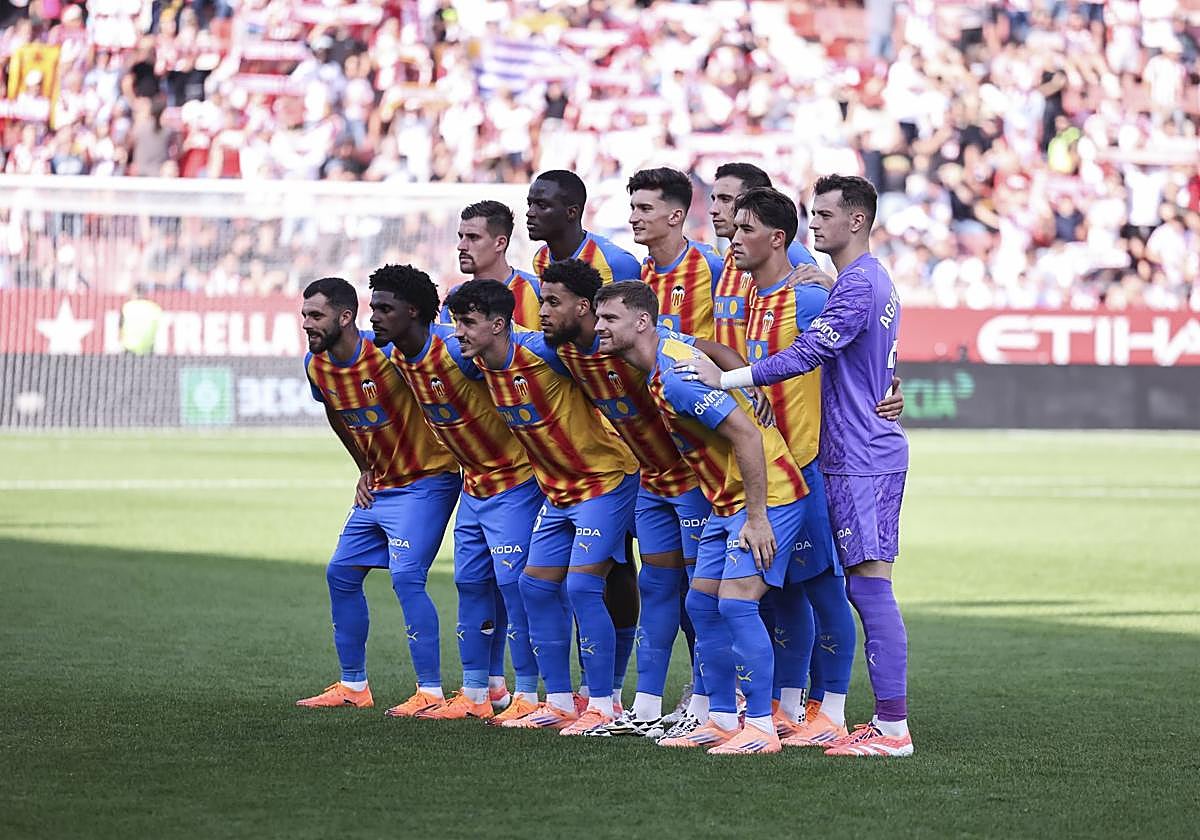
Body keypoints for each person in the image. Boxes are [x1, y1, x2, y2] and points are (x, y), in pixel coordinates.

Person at [679, 175, 914, 757]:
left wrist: (725, 379)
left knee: (866, 588)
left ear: (856, 220)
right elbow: (864, 356)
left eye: (825, 214)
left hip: (857, 456)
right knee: (848, 587)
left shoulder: (849, 285)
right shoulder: (854, 281)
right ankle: (838, 715)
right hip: (848, 452)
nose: (817, 223)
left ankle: (888, 728)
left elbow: (812, 352)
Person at [535, 258, 755, 738]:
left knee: (703, 596)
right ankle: (647, 705)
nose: (542, 313)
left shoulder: (655, 345)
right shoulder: (566, 352)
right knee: (655, 587)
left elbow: (711, 350)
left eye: (552, 302)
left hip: (694, 482)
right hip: (650, 482)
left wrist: (756, 395)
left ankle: (709, 704)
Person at [595, 280, 811, 756]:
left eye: (609, 319)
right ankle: (720, 718)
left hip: (766, 497)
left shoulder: (675, 377)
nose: (598, 328)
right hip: (726, 501)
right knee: (702, 604)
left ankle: (760, 728)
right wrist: (746, 380)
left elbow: (747, 439)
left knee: (736, 603)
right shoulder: (669, 350)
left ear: (642, 322)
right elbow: (711, 347)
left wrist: (757, 519)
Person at [445, 278, 640, 736]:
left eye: (467, 324)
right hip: (558, 492)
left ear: (498, 325)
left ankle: (603, 705)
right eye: (456, 323)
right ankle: (558, 701)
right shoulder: (480, 363)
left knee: (581, 587)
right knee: (533, 586)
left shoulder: (544, 353)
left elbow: (613, 349)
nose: (458, 333)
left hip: (604, 483)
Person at [368, 264, 543, 724]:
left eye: (384, 309)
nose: (375, 318)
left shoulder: (460, 352)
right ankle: (475, 692)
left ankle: (529, 691)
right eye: (372, 308)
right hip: (473, 484)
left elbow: (519, 357)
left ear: (413, 312)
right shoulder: (397, 354)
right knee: (469, 584)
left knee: (514, 586)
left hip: (514, 480)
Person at [725, 187, 859, 746]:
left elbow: (858, 357)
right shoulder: (760, 297)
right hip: (779, 471)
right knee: (780, 595)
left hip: (812, 468)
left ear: (777, 239)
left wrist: (887, 390)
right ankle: (786, 705)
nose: (732, 239)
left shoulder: (806, 299)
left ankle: (832, 710)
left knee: (824, 592)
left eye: (743, 230)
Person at [295, 277, 461, 716]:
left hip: (427, 480)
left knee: (407, 577)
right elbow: (336, 413)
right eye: (304, 316)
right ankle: (354, 686)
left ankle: (430, 693)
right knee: (341, 573)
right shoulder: (318, 367)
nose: (307, 325)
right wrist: (363, 467)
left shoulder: (389, 355)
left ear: (345, 317)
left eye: (316, 316)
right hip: (381, 485)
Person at [708, 163, 818, 359]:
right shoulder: (729, 257)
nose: (713, 209)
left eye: (725, 200)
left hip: (770, 386)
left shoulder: (789, 251)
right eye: (713, 199)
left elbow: (814, 302)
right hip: (733, 386)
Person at [627, 166, 724, 340]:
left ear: (675, 216)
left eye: (645, 208)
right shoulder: (639, 273)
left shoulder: (711, 265)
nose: (633, 218)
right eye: (633, 208)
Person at [440, 201, 542, 328]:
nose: (461, 246)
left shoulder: (538, 290)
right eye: (461, 237)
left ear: (500, 243)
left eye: (473, 237)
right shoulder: (454, 299)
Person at [527, 169, 642, 283]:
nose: (530, 212)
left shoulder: (617, 263)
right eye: (530, 204)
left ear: (572, 212)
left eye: (542, 205)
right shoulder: (540, 259)